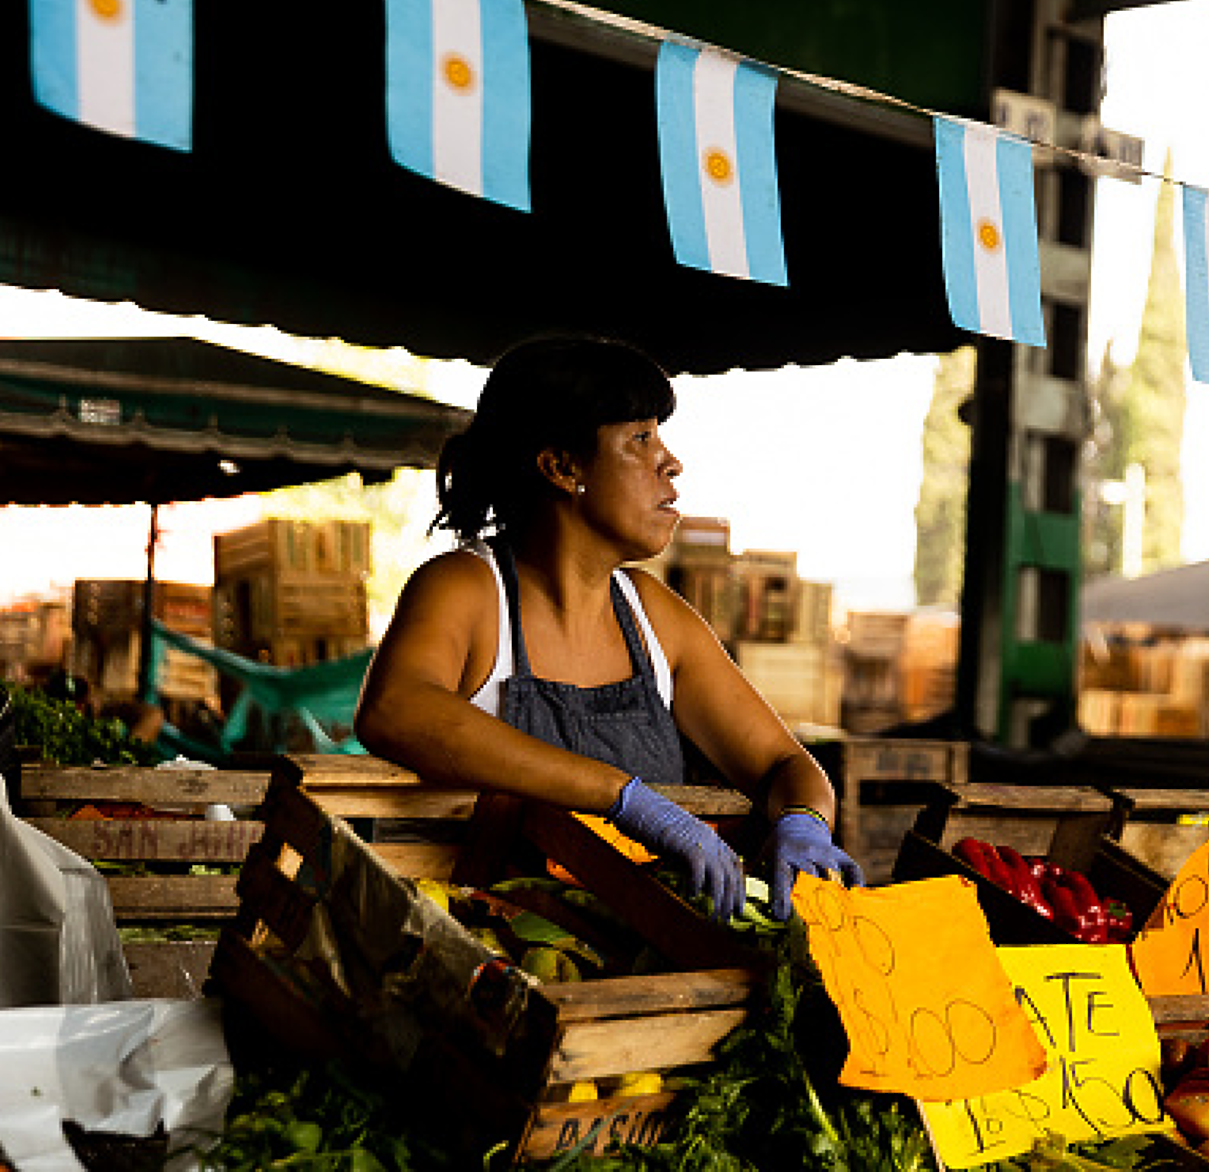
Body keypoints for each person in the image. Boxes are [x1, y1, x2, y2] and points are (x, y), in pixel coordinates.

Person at [354, 334, 862, 920]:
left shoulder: (654, 617)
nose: (670, 462)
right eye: (640, 439)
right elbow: (396, 709)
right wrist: (623, 798)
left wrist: (803, 823)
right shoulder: (467, 590)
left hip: (645, 951)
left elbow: (785, 765)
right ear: (563, 467)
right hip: (489, 952)